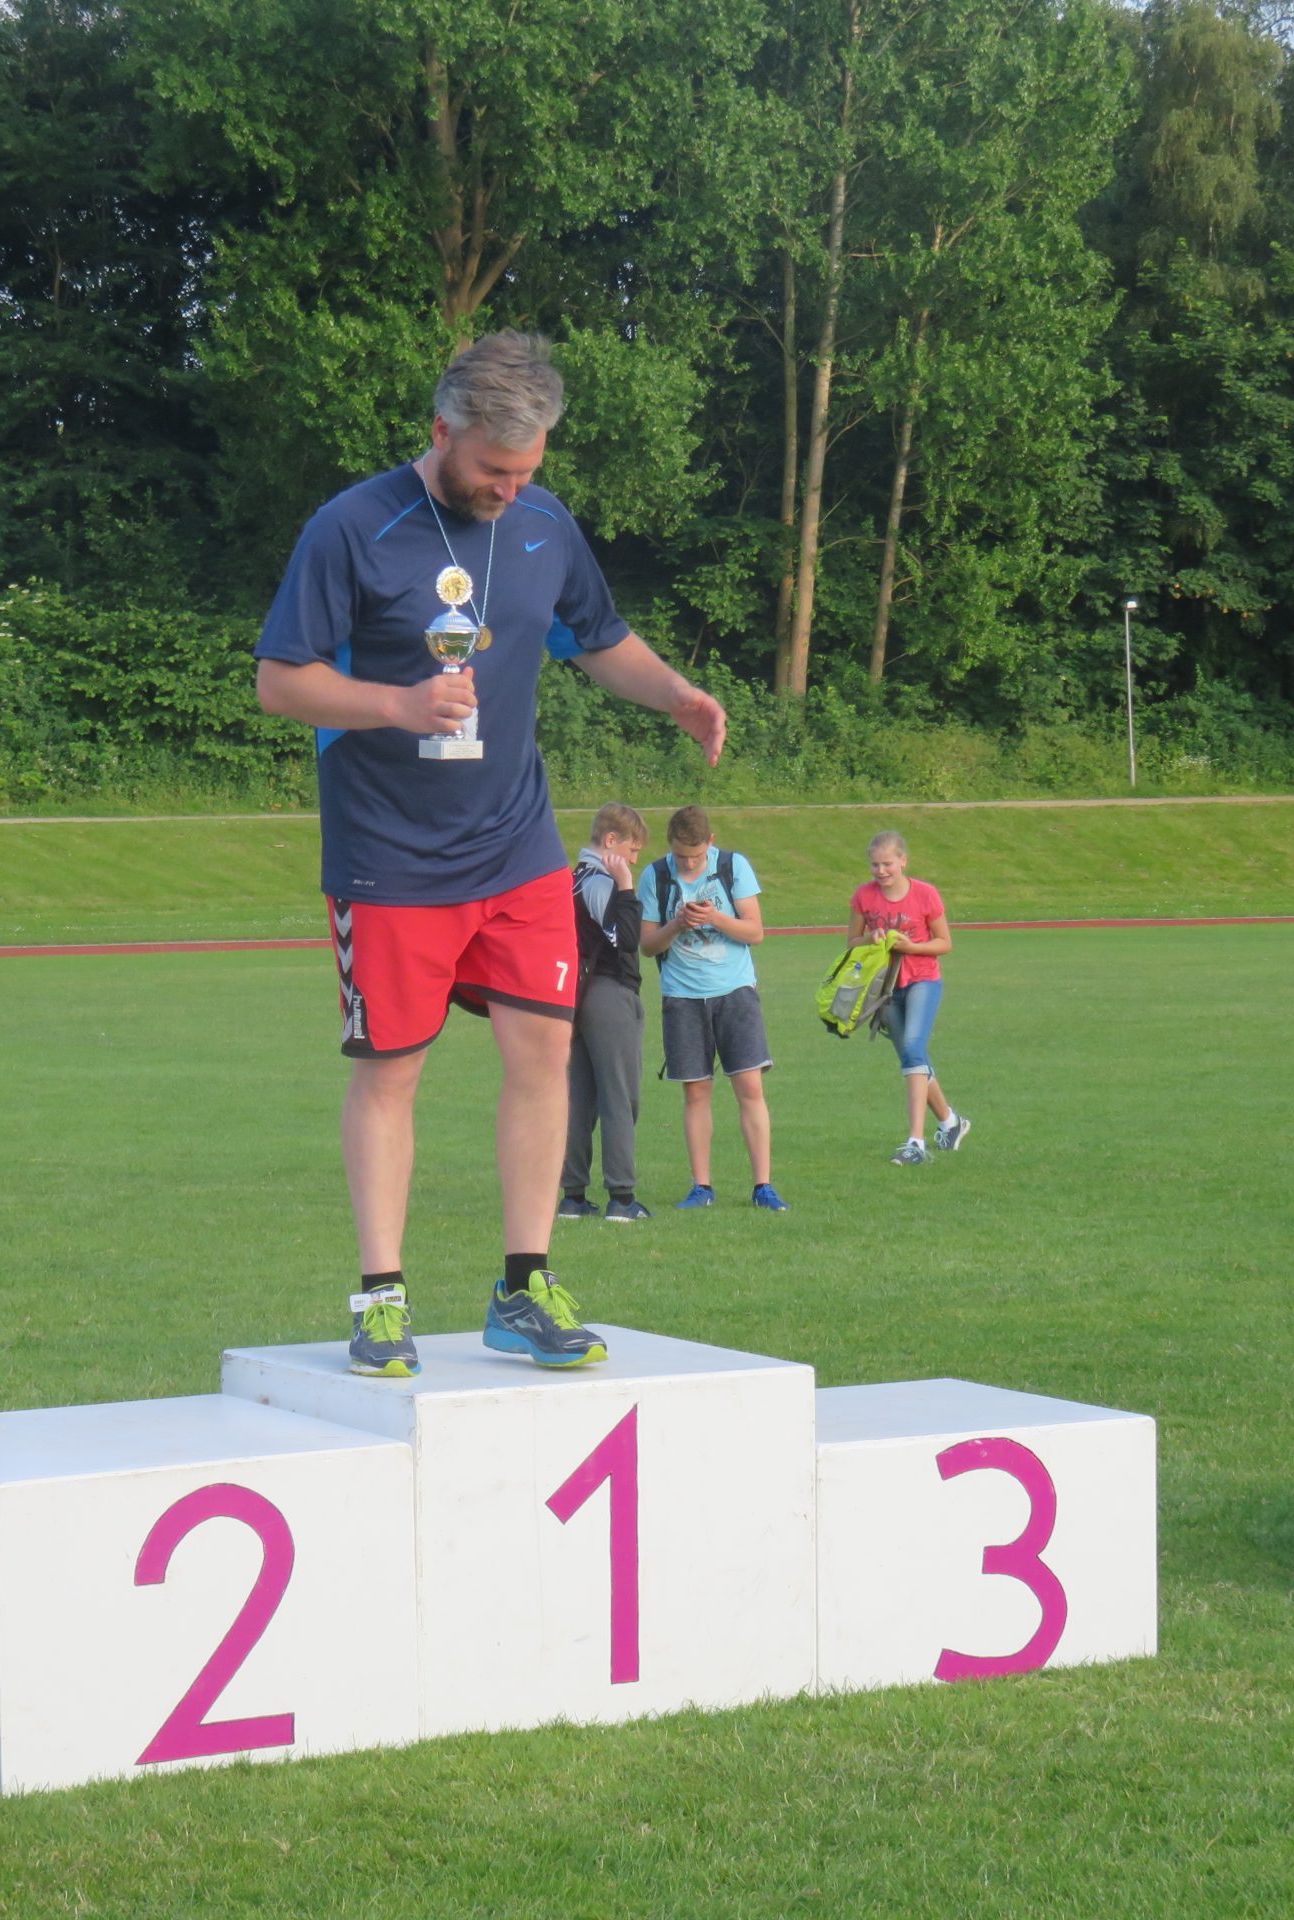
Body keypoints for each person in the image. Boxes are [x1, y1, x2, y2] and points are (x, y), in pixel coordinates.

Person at [254, 332, 727, 1378]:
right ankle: (381, 1297)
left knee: (543, 1053)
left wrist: (676, 694)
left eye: (526, 470)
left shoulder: (542, 523)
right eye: (492, 470)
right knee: (392, 1073)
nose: (510, 490)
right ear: (441, 431)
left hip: (516, 846)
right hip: (388, 855)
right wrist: (397, 704)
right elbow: (280, 680)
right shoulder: (353, 528)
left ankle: (523, 1286)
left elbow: (599, 638)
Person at [638, 806, 785, 1211]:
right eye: (681, 855)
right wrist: (676, 924)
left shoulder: (733, 867)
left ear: (711, 842)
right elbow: (647, 945)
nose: (688, 863)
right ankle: (701, 1186)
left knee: (750, 1087)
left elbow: (755, 932)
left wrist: (716, 917)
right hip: (682, 996)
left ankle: (763, 1186)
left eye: (696, 855)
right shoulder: (655, 875)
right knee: (696, 1091)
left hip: (735, 991)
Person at [847, 830, 970, 1166]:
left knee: (914, 1051)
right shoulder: (864, 896)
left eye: (887, 863)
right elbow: (852, 942)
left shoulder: (925, 894)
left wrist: (911, 947)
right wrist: (872, 937)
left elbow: (944, 943)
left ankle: (916, 1142)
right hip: (885, 987)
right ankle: (951, 1123)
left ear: (903, 860)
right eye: (875, 865)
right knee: (912, 1059)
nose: (881, 871)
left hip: (922, 980)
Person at [558, 803, 650, 1225]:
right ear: (611, 841)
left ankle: (573, 1196)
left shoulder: (571, 878)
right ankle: (622, 1197)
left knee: (580, 1098)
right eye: (632, 849)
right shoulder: (599, 880)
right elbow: (625, 938)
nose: (635, 859)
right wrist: (626, 888)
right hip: (609, 994)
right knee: (619, 1095)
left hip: (576, 995)